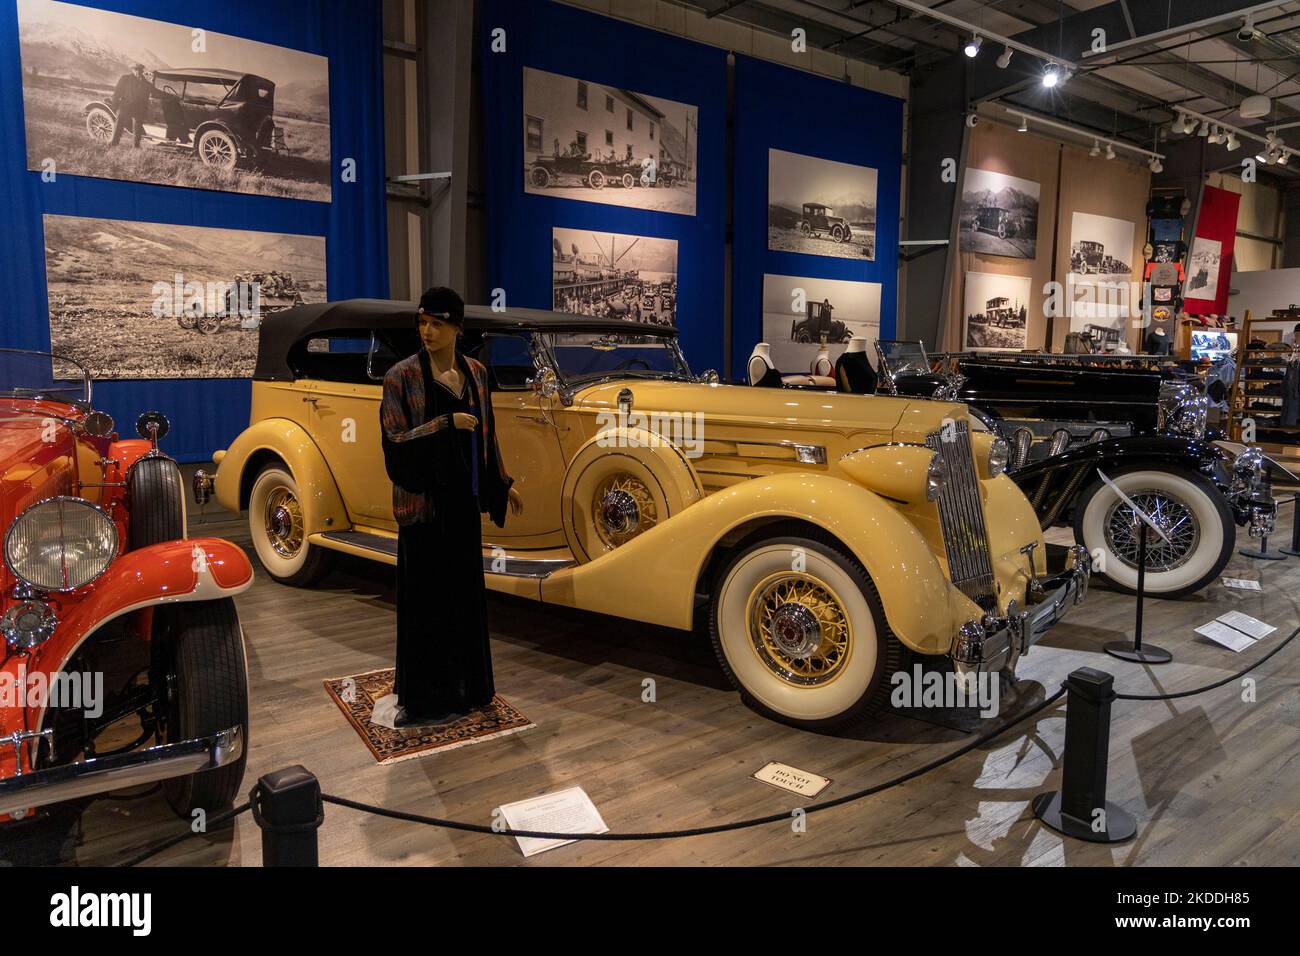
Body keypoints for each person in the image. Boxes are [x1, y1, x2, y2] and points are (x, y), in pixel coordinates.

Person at [380, 287, 523, 727]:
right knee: (426, 602)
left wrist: (501, 483)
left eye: (436, 323)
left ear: (457, 328)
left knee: (463, 598)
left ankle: (470, 690)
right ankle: (424, 699)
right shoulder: (400, 377)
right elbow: (394, 442)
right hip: (424, 507)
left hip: (463, 504)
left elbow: (488, 435)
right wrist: (446, 422)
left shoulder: (477, 373)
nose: (426, 331)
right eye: (422, 322)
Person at [109, 63, 153, 148]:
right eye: (136, 69)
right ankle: (114, 143)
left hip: (138, 109)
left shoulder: (146, 83)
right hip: (125, 106)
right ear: (132, 70)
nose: (138, 71)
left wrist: (172, 96)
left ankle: (136, 146)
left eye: (140, 70)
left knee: (137, 128)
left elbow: (155, 91)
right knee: (119, 123)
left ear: (142, 71)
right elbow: (117, 92)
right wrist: (115, 106)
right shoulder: (125, 79)